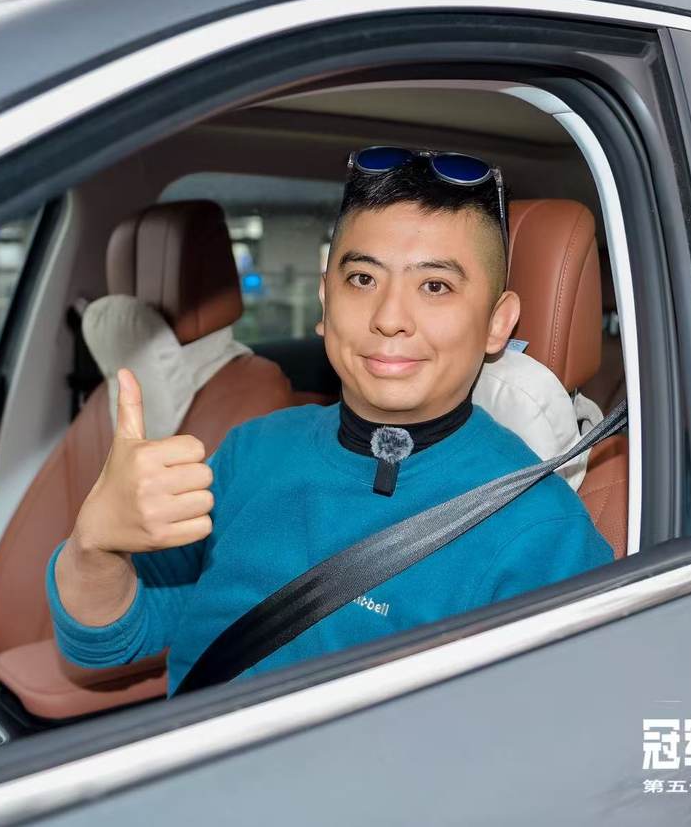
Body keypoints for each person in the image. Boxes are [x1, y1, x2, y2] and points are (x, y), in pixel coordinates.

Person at [47, 146, 614, 695]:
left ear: (497, 323)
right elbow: (108, 643)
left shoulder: (540, 528)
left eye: (435, 286)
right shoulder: (250, 451)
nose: (389, 317)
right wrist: (94, 546)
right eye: (363, 279)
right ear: (325, 301)